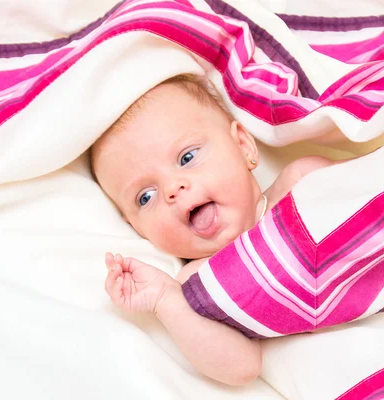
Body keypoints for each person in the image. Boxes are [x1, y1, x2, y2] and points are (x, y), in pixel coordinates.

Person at [91, 74, 336, 385]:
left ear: (243, 146)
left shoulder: (303, 182)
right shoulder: (196, 282)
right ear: (138, 229)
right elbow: (241, 367)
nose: (172, 189)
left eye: (187, 157)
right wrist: (166, 300)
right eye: (146, 197)